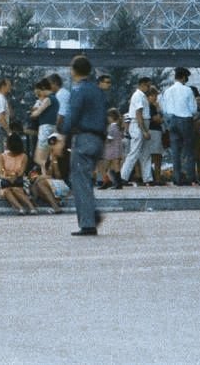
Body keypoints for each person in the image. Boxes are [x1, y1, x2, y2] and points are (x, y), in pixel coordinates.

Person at [60, 56, 108, 236]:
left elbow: (72, 115)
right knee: (85, 180)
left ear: (74, 70)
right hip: (98, 139)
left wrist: (62, 135)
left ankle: (88, 223)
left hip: (84, 138)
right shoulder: (97, 90)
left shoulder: (78, 90)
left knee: (80, 181)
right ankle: (92, 213)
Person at [160, 68, 197, 185]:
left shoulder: (167, 91)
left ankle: (177, 178)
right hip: (185, 120)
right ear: (184, 77)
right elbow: (193, 109)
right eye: (186, 78)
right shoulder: (188, 90)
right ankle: (189, 177)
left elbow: (164, 109)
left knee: (175, 150)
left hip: (171, 120)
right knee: (188, 150)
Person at [119, 78, 153, 186]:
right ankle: (123, 177)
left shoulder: (142, 96)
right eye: (148, 86)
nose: (149, 88)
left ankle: (148, 178)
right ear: (142, 85)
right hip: (138, 124)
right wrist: (144, 130)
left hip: (142, 123)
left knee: (145, 153)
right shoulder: (138, 95)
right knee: (134, 152)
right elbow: (138, 113)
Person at [0, 133, 35, 215]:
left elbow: (21, 172)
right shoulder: (2, 156)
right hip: (5, 181)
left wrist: (12, 176)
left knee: (16, 189)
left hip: (19, 180)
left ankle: (32, 207)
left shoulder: (24, 156)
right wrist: (8, 178)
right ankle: (20, 208)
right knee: (6, 190)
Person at [99, 108, 124, 189]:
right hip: (117, 149)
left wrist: (102, 141)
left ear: (111, 117)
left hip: (110, 150)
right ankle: (118, 183)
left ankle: (107, 181)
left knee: (103, 166)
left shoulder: (111, 127)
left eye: (108, 117)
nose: (107, 119)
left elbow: (109, 139)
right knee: (116, 167)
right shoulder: (118, 126)